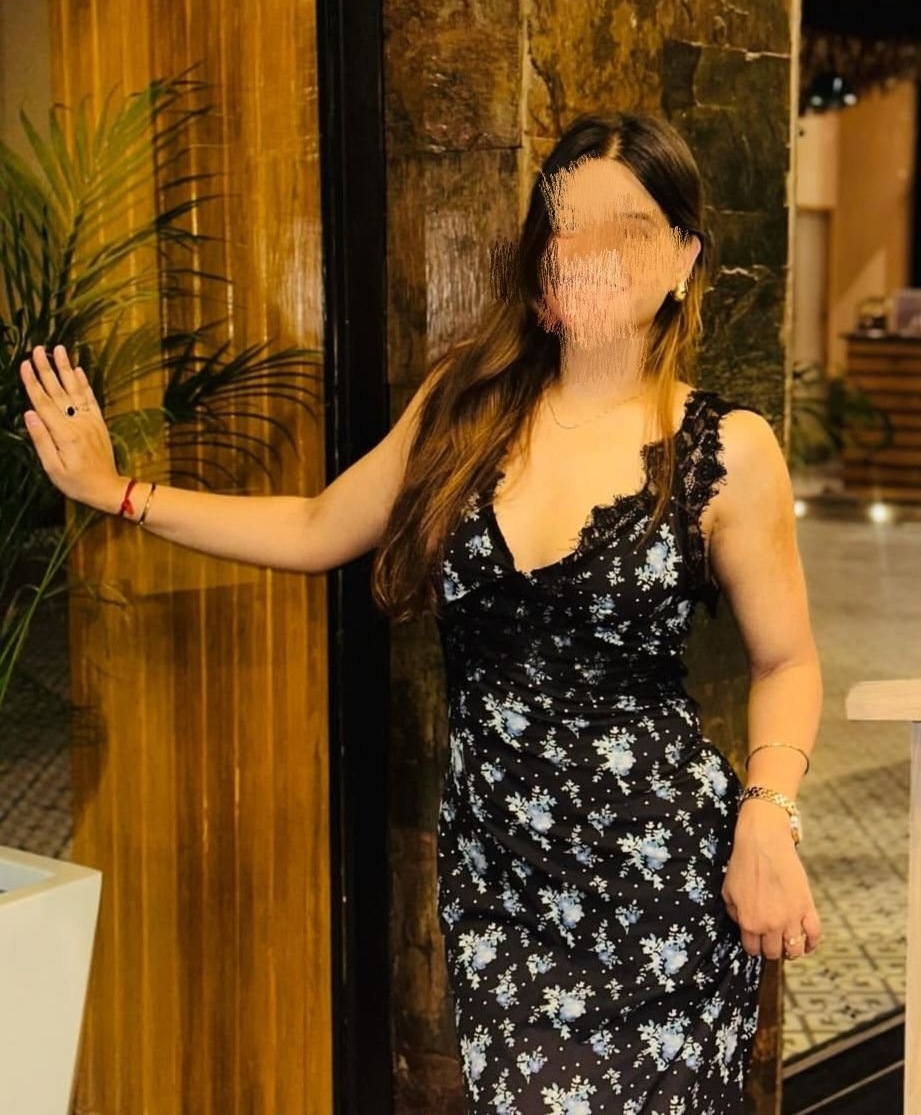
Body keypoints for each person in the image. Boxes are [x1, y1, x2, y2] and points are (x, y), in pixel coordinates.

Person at [20, 111, 823, 1114]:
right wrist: (119, 492)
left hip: (660, 884)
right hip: (502, 891)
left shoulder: (727, 449)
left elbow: (787, 661)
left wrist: (766, 816)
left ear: (683, 258)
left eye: (629, 229)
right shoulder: (466, 405)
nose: (591, 254)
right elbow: (316, 524)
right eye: (567, 226)